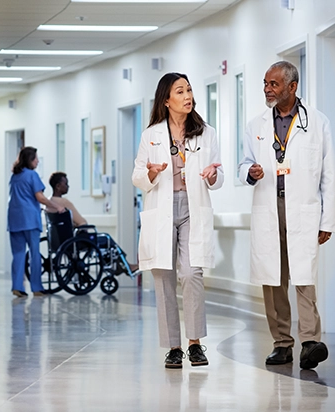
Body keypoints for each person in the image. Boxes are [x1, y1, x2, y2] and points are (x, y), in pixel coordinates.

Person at [238, 61, 335, 369]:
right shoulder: (256, 125)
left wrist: (328, 220)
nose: (268, 89)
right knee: (274, 277)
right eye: (266, 83)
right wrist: (250, 173)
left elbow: (329, 175)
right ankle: (282, 343)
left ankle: (310, 341)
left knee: (304, 275)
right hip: (270, 206)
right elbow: (243, 164)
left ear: (292, 87)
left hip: (303, 209)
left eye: (274, 84)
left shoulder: (317, 123)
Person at [132, 72, 223, 368]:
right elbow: (137, 176)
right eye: (180, 91)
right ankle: (173, 346)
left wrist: (213, 175)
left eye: (189, 90)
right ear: (167, 100)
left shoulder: (205, 131)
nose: (188, 96)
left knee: (191, 273)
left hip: (192, 207)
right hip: (162, 207)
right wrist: (152, 173)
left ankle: (195, 343)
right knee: (164, 277)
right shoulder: (152, 135)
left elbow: (217, 174)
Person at [47, 171, 139, 273]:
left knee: (102, 239)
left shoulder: (49, 203)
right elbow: (81, 222)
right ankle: (126, 265)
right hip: (75, 240)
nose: (68, 186)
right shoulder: (63, 202)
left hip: (58, 241)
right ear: (58, 186)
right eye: (66, 184)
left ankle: (120, 265)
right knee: (107, 238)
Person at [8, 147, 65, 298]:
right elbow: (40, 197)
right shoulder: (32, 175)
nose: (38, 161)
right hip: (29, 219)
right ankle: (36, 287)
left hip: (14, 219)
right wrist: (57, 206)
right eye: (35, 158)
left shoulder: (15, 176)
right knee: (34, 253)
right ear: (29, 160)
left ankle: (17, 286)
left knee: (18, 254)